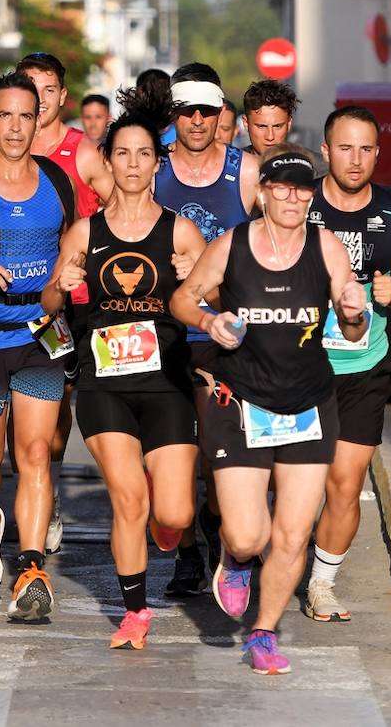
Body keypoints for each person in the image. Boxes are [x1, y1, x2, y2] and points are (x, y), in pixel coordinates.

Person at [170, 144, 368, 675]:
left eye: (302, 188)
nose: (291, 197)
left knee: (292, 534)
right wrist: (210, 322)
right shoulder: (231, 246)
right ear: (261, 193)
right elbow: (183, 299)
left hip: (308, 403)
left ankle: (263, 633)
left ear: (311, 196)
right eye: (280, 186)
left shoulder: (326, 248)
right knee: (247, 534)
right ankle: (234, 560)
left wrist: (355, 314)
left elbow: (354, 328)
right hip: (242, 402)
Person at [42, 115, 205, 649]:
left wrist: (193, 280)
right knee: (128, 497)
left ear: (157, 164)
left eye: (143, 155)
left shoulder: (181, 230)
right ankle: (135, 612)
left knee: (175, 513)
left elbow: (216, 303)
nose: (133, 164)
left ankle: (169, 520)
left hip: (167, 383)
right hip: (103, 381)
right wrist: (60, 286)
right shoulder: (86, 233)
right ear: (107, 163)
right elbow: (47, 305)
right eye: (123, 154)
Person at [0, 72, 76, 621]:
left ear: (39, 119)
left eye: (26, 116)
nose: (15, 127)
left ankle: (29, 566)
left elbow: (75, 248)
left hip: (39, 339)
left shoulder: (56, 181)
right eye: (5, 115)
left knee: (34, 453)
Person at [305, 107, 391, 623]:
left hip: (363, 366)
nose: (356, 160)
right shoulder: (298, 202)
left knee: (345, 482)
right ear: (326, 151)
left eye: (367, 149)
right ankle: (251, 551)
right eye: (345, 148)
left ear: (378, 153)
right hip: (295, 366)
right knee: (280, 481)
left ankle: (321, 584)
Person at [152, 63, 260, 596]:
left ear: (221, 115)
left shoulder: (246, 172)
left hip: (224, 337)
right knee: (174, 453)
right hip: (162, 332)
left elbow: (283, 236)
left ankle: (220, 540)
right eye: (186, 111)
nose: (196, 120)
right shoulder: (151, 168)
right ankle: (188, 553)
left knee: (221, 453)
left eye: (206, 111)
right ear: (174, 115)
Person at [20, 50, 115, 554]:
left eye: (49, 89)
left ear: (62, 96)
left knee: (83, 404)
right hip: (29, 304)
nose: (39, 99)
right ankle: (46, 495)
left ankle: (113, 494)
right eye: (29, 88)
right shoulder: (5, 146)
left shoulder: (81, 152)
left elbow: (120, 204)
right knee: (45, 409)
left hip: (80, 302)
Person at [243, 79, 299, 159]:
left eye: (277, 126)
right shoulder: (230, 166)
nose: (270, 137)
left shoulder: (312, 166)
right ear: (246, 123)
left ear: (289, 123)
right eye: (261, 126)